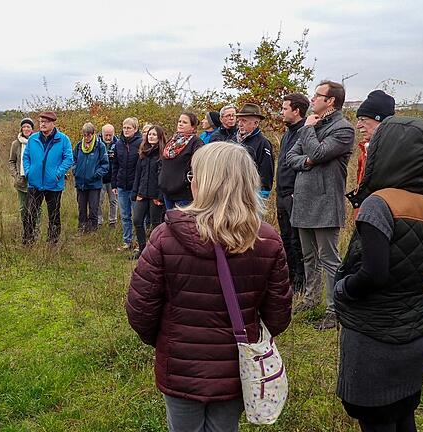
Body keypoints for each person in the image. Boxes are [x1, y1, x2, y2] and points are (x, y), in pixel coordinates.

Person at [127, 142, 293, 432]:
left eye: (192, 176)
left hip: (180, 366)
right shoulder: (267, 240)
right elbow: (279, 315)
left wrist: (170, 340)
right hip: (236, 365)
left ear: (202, 183)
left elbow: (140, 309)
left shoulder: (165, 237)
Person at [334, 116, 423, 432]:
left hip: (374, 337)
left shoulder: (380, 203)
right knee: (404, 415)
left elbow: (374, 274)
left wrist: (343, 289)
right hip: (416, 330)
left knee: (376, 419)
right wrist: (409, 278)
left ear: (385, 152)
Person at [286, 80, 355, 330]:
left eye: (318, 95)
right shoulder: (313, 124)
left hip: (325, 202)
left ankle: (333, 309)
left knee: (329, 258)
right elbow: (291, 158)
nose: (312, 99)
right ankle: (310, 298)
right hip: (303, 200)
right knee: (308, 256)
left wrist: (307, 132)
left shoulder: (343, 129)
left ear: (331, 101)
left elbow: (317, 153)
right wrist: (308, 161)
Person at [22, 111, 74, 245]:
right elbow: (26, 157)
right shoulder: (33, 139)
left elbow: (68, 159)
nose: (42, 124)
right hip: (35, 183)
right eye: (41, 121)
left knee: (54, 215)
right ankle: (28, 241)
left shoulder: (63, 139)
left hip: (54, 185)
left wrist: (58, 173)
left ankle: (52, 243)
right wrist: (29, 172)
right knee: (29, 213)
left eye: (45, 122)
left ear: (53, 123)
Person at [277, 94, 309, 292]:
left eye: (285, 108)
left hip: (295, 194)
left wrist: (296, 192)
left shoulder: (305, 132)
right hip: (282, 193)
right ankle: (289, 279)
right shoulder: (287, 133)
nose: (282, 112)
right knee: (286, 238)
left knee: (298, 240)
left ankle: (301, 283)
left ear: (296, 111)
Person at [131, 124, 165, 259]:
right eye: (150, 134)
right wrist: (136, 193)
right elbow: (138, 175)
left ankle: (156, 252)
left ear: (160, 137)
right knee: (137, 220)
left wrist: (160, 197)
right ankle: (142, 249)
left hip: (155, 195)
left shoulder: (162, 155)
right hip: (142, 193)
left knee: (156, 225)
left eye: (154, 135)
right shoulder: (143, 153)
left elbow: (163, 177)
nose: (151, 136)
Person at [158, 112, 203, 210]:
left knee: (182, 223)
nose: (180, 124)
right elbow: (162, 163)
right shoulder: (172, 141)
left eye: (185, 122)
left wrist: (186, 181)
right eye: (179, 121)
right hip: (167, 191)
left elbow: (199, 164)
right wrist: (160, 180)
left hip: (183, 194)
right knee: (170, 222)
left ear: (193, 127)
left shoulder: (196, 142)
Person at [111, 118, 142, 251]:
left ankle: (138, 242)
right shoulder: (118, 144)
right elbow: (115, 165)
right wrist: (114, 184)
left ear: (135, 129)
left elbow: (143, 167)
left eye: (129, 128)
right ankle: (127, 241)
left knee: (137, 216)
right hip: (122, 185)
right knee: (125, 215)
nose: (126, 130)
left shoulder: (141, 143)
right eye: (124, 127)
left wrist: (140, 186)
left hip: (136, 186)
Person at [73, 122, 110, 233]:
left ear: (93, 134)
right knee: (81, 208)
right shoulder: (79, 146)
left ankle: (93, 231)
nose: (87, 137)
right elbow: (73, 160)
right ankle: (81, 229)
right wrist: (75, 171)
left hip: (94, 184)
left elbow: (105, 165)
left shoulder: (100, 146)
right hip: (81, 183)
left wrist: (95, 175)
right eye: (84, 134)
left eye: (89, 134)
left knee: (94, 209)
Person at [233, 103, 275, 198]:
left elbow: (266, 170)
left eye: (244, 121)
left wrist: (262, 194)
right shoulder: (233, 139)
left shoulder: (263, 143)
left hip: (251, 193)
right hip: (233, 191)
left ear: (256, 123)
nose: (240, 124)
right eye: (239, 120)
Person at [355, 90, 395, 186]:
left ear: (380, 120)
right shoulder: (366, 149)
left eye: (363, 119)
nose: (358, 125)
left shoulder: (394, 152)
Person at [9, 118, 38, 229]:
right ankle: (25, 227)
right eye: (24, 126)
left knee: (36, 207)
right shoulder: (16, 144)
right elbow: (11, 161)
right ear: (21, 128)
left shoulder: (37, 141)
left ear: (32, 129)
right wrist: (16, 176)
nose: (26, 129)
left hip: (35, 180)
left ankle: (36, 228)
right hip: (21, 181)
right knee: (23, 207)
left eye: (28, 127)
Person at [97, 124, 119, 227]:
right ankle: (99, 221)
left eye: (110, 135)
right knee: (98, 201)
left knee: (113, 201)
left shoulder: (118, 144)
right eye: (106, 135)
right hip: (100, 178)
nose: (108, 138)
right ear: (102, 133)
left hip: (113, 178)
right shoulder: (96, 143)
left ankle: (112, 221)